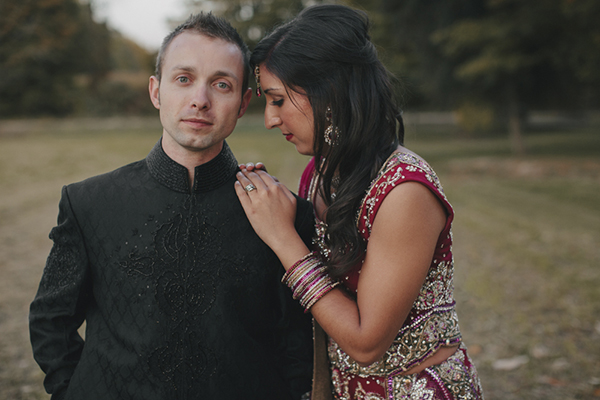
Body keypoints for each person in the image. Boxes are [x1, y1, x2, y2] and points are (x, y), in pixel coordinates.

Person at [29, 13, 314, 400]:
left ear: (244, 101)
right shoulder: (88, 203)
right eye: (183, 79)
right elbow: (50, 322)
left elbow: (297, 342)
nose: (200, 100)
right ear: (156, 91)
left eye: (221, 84)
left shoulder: (283, 212)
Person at [234, 5, 485, 400]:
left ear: (329, 93)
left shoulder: (404, 193)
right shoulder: (319, 173)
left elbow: (367, 344)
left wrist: (283, 237)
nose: (269, 118)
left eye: (278, 100)